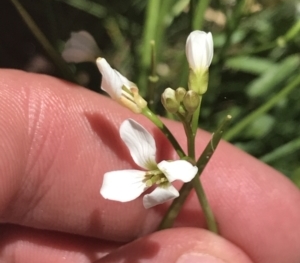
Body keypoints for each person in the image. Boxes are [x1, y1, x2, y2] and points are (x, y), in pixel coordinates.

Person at [0, 69, 299, 263]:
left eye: (156, 176)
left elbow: (184, 170)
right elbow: (180, 172)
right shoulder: (165, 174)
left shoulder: (174, 173)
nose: (153, 177)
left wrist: (163, 172)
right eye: (155, 175)